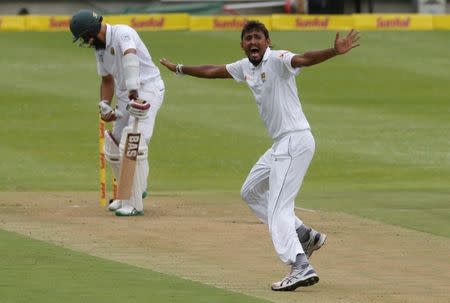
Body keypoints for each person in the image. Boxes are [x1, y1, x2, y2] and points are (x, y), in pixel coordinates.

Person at [160, 21, 359, 291]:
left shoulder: (278, 59)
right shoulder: (245, 67)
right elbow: (213, 71)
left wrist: (333, 52)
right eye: (248, 38)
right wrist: (180, 69)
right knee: (250, 191)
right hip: (281, 144)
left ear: (268, 41)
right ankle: (303, 235)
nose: (253, 42)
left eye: (258, 37)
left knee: (279, 210)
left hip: (294, 140)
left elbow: (303, 58)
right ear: (242, 45)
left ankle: (299, 265)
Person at [70, 9, 165, 216]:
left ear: (90, 33)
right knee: (113, 146)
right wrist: (104, 104)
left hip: (147, 89)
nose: (85, 43)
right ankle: (125, 194)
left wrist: (133, 90)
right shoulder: (100, 50)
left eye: (83, 38)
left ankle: (134, 200)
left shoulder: (123, 32)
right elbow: (106, 80)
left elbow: (130, 56)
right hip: (125, 95)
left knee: (134, 141)